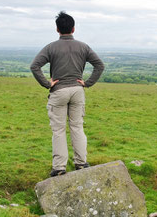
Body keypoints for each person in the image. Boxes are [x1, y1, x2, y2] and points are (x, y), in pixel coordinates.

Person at [30, 11, 105, 177]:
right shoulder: (83, 47)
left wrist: (46, 84)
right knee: (77, 126)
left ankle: (59, 167)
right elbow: (99, 65)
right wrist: (87, 83)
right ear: (73, 28)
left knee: (58, 130)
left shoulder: (51, 47)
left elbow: (34, 66)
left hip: (59, 91)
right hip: (78, 91)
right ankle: (81, 163)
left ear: (57, 29)